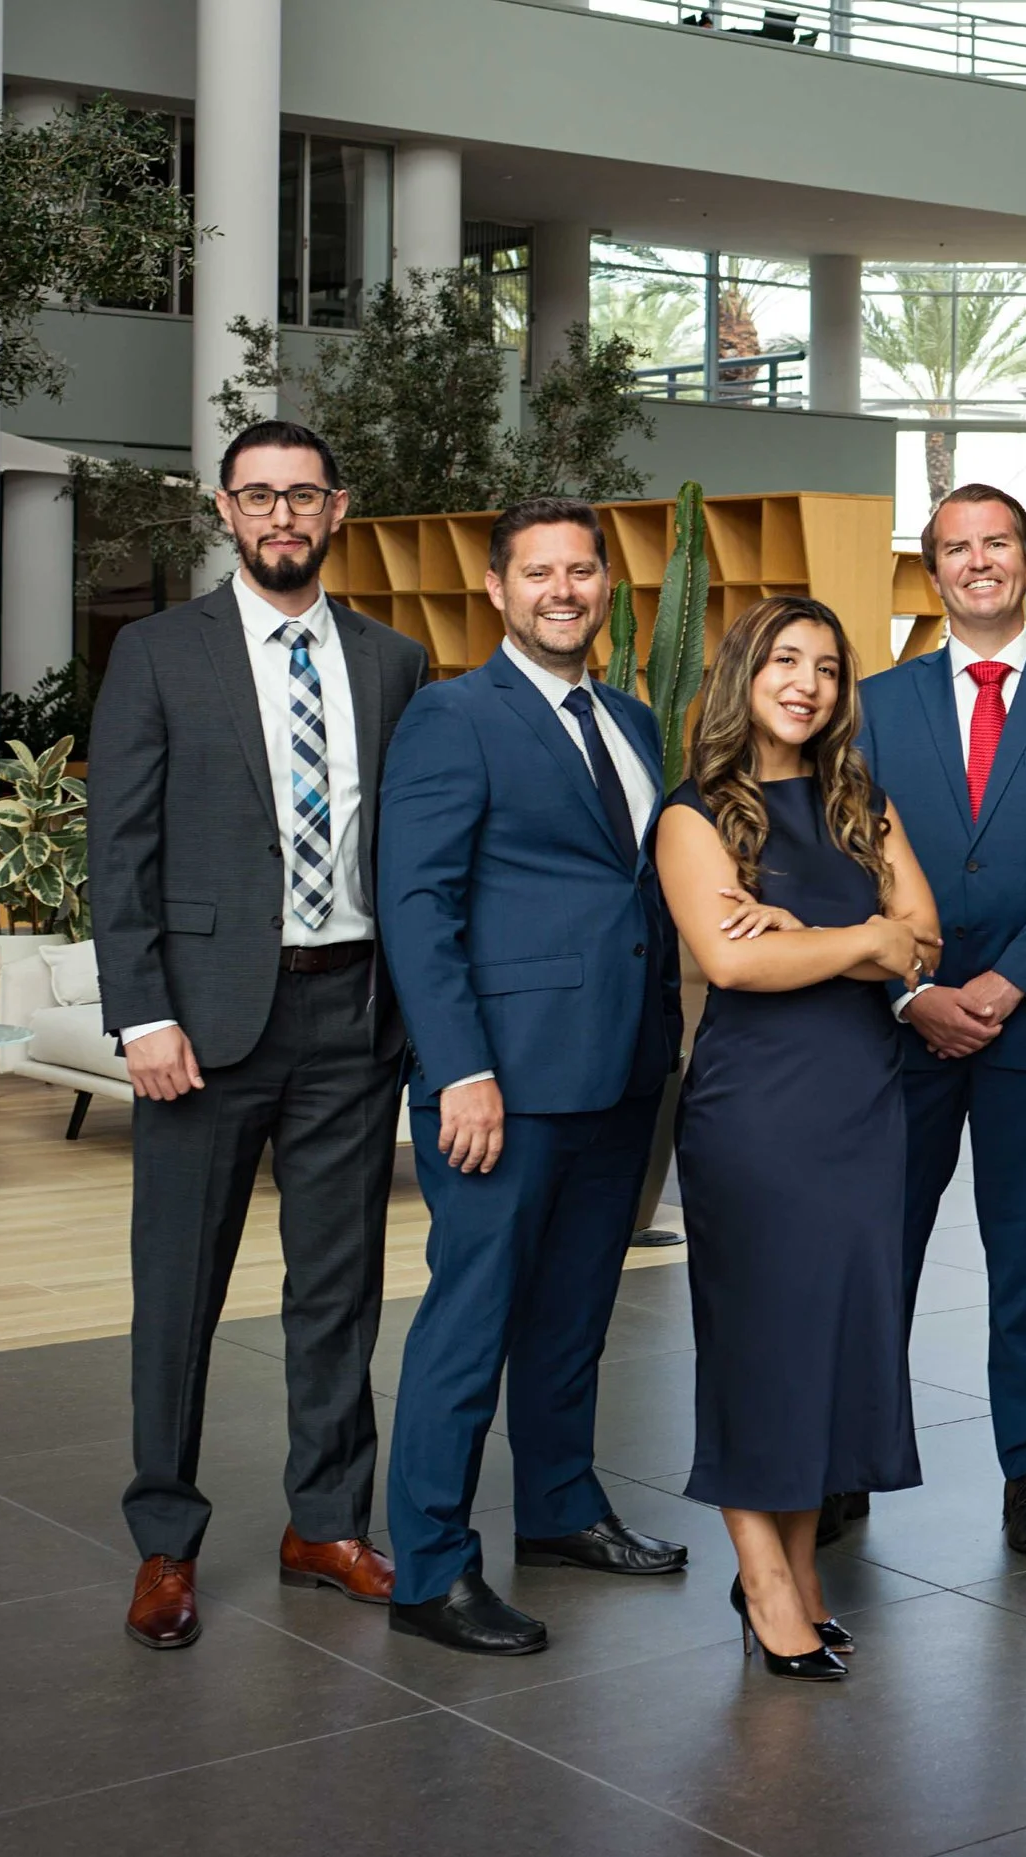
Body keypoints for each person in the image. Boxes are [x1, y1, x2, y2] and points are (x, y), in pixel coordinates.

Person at [90, 419, 428, 1651]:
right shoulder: (157, 652)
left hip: (352, 1013)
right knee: (176, 1294)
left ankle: (326, 1521)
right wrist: (142, 1010)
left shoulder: (394, 663)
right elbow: (117, 847)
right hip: (202, 1024)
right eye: (257, 496)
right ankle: (165, 1543)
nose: (280, 516)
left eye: (302, 495)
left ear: (338, 509)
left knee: (335, 1290)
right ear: (224, 511)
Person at [376, 497, 689, 1657]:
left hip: (621, 1069)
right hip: (502, 1078)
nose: (564, 589)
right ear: (499, 591)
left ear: (608, 586)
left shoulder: (632, 719)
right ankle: (431, 1565)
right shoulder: (452, 718)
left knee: (572, 1316)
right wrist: (458, 1068)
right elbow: (418, 902)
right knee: (471, 1320)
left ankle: (559, 1506)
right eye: (539, 572)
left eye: (583, 570)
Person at [655, 596, 941, 1683]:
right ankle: (766, 1577)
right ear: (744, 673)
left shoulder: (859, 799)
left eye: (827, 665)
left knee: (831, 1342)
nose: (807, 682)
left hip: (862, 1105)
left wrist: (828, 934)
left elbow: (923, 946)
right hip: (756, 1118)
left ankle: (799, 1567)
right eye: (785, 659)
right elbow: (734, 966)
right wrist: (867, 934)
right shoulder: (696, 816)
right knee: (758, 1343)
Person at [856, 485, 1026, 1557]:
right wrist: (911, 989)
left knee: (1025, 1259)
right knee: (874, 1244)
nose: (978, 562)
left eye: (997, 544)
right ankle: (848, 1452)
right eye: (957, 547)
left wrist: (1011, 981)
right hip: (897, 1027)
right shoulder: (871, 703)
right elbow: (841, 859)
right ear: (933, 570)